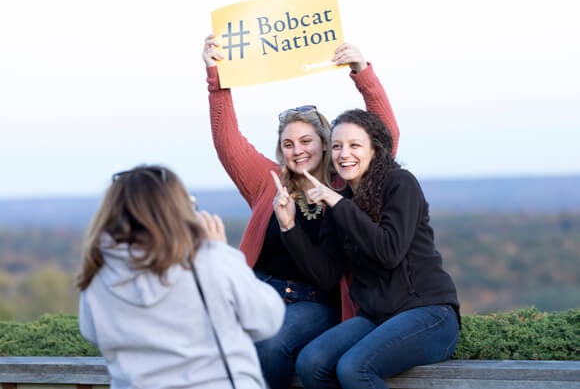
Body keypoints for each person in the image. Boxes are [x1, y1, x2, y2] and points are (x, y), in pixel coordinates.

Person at [202, 35, 400, 389]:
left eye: (306, 141)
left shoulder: (348, 184)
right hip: (259, 290)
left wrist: (362, 73)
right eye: (288, 144)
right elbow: (227, 142)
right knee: (208, 345)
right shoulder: (268, 182)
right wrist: (216, 78)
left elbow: (384, 137)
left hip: (315, 302)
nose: (297, 150)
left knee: (271, 344)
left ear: (325, 143)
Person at [283, 110, 460, 389]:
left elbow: (389, 251)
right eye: (338, 146)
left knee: (354, 368)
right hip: (376, 318)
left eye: (355, 145)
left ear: (375, 149)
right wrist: (289, 227)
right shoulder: (340, 204)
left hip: (429, 315)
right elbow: (326, 275)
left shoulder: (400, 184)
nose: (344, 154)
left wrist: (339, 205)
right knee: (311, 363)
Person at [76, 164, 285, 389]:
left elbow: (92, 333)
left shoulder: (98, 276)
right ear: (176, 210)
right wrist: (222, 252)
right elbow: (268, 319)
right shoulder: (208, 260)